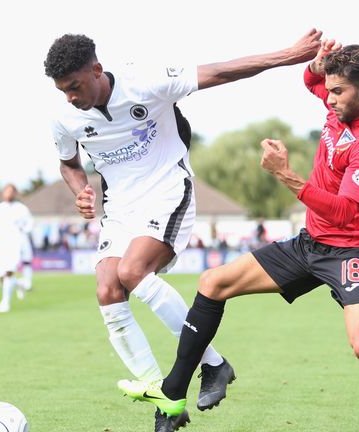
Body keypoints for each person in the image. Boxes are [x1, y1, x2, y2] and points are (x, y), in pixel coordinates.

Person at [120, 41, 359, 432]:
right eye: (331, 89)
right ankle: (177, 394)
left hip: (349, 251)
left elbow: (344, 212)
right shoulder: (348, 100)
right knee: (212, 283)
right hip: (309, 244)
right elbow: (311, 81)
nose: (329, 98)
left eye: (337, 92)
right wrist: (318, 64)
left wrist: (284, 173)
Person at [44, 30, 324, 428]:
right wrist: (81, 191)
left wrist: (289, 55)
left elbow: (222, 72)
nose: (70, 97)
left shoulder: (144, 81)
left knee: (131, 273)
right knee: (107, 288)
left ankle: (211, 366)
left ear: (96, 70)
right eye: (62, 91)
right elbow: (68, 163)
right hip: (121, 208)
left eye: (74, 86)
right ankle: (166, 394)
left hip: (167, 190)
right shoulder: (64, 117)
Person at [0, 184, 34, 313]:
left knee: (9, 271)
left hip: (16, 242)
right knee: (1, 276)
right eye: (6, 191)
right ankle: (19, 284)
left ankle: (5, 302)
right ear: (3, 193)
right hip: (1, 243)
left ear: (15, 193)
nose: (9, 194)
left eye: (11, 191)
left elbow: (29, 223)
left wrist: (23, 231)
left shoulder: (22, 209)